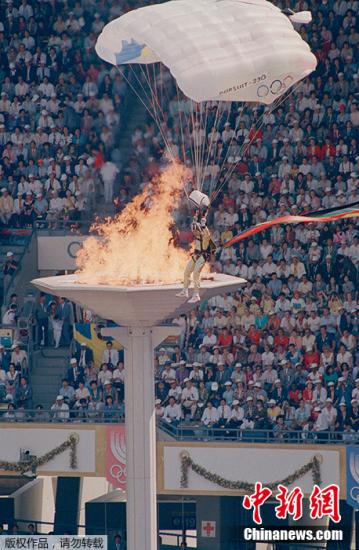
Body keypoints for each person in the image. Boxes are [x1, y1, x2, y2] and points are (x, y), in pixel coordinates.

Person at [177, 210, 216, 303]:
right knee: (187, 271)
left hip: (202, 256)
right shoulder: (197, 235)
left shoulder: (205, 236)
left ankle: (196, 295)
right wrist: (195, 217)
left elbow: (206, 233)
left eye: (195, 230)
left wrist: (203, 225)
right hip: (196, 255)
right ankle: (185, 291)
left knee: (195, 274)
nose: (193, 232)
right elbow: (194, 226)